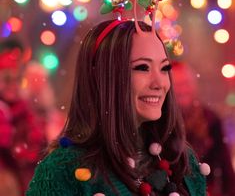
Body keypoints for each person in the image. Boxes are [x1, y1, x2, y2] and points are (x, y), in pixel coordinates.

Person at [26, 19, 209, 196]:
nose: (159, 83)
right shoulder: (63, 171)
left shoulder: (182, 162)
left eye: (164, 68)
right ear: (105, 77)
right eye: (143, 67)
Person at [171, 61, 235, 196]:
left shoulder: (210, 119)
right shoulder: (163, 122)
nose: (182, 89)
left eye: (185, 83)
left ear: (193, 85)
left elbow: (225, 166)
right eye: (176, 85)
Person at [0, 37, 47, 194]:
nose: (13, 85)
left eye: (17, 80)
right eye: (7, 79)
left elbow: (37, 144)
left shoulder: (25, 111)